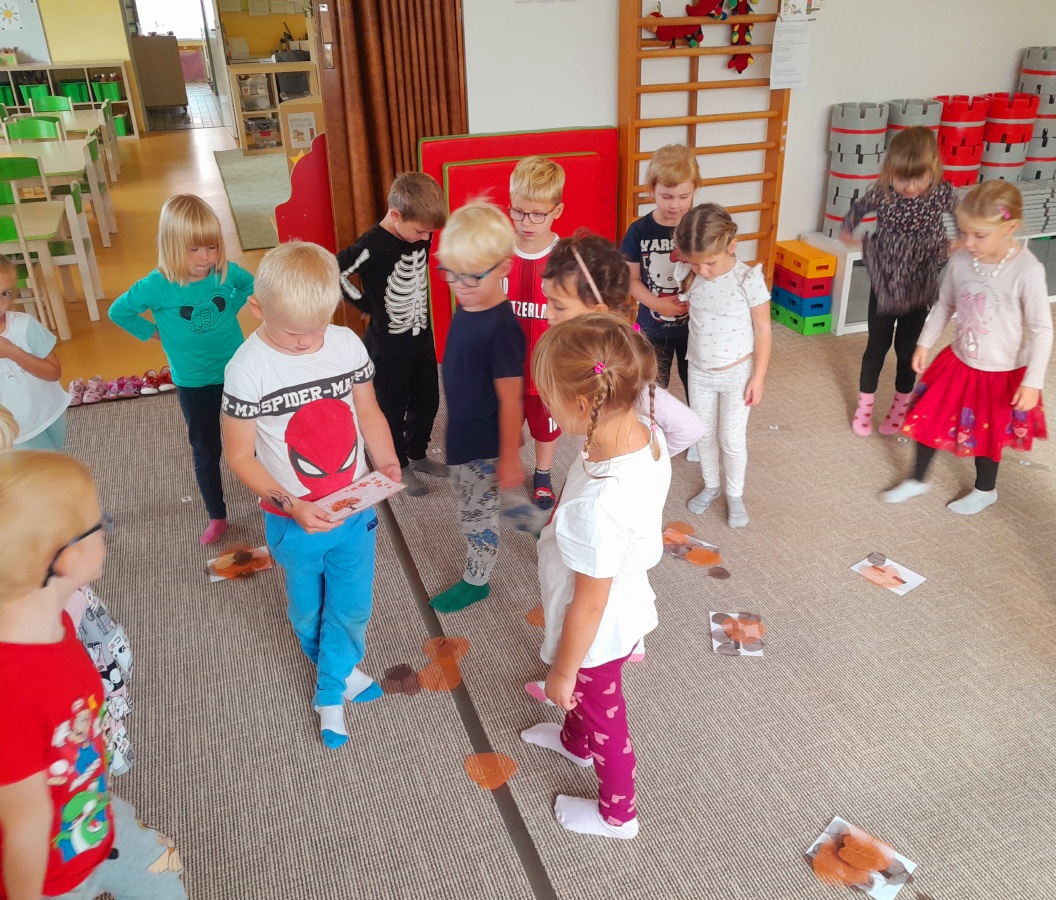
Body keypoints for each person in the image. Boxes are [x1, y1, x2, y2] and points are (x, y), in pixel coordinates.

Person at [221, 242, 401, 748]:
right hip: (292, 521)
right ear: (256, 309)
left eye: (317, 329)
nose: (306, 343)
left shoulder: (345, 345)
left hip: (354, 510)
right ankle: (339, 669)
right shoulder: (247, 369)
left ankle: (328, 693)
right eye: (292, 332)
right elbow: (239, 457)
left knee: (352, 606)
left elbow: (367, 411)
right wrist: (293, 505)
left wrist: (386, 460)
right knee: (306, 612)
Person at [0, 451, 185, 899]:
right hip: (47, 878)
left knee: (166, 880)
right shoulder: (12, 689)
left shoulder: (56, 622)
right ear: (64, 559)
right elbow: (25, 826)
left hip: (92, 810)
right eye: (98, 524)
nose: (105, 531)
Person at [520, 313, 671, 841]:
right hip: (619, 595)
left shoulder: (599, 506)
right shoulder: (642, 431)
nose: (544, 407)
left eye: (548, 398)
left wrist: (562, 672)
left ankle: (618, 814)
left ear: (584, 405)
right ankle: (573, 743)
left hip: (597, 630)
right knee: (586, 704)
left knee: (605, 718)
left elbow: (588, 605)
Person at [882, 180, 1051, 515]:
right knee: (929, 418)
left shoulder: (1028, 270)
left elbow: (1042, 329)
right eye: (963, 232)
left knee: (987, 434)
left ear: (1009, 228)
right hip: (958, 361)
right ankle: (917, 479)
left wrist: (1033, 381)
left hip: (1001, 372)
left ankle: (985, 489)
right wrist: (924, 342)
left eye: (979, 235)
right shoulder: (962, 259)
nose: (968, 242)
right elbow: (945, 305)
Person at [109, 194, 254, 545]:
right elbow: (119, 311)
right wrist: (155, 332)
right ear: (172, 246)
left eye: (212, 247)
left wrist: (229, 309)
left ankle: (268, 494)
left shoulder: (223, 271)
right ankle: (217, 514)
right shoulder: (157, 284)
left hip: (237, 370)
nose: (206, 257)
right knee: (206, 449)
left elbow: (249, 285)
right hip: (194, 381)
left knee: (254, 437)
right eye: (195, 249)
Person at [429, 202, 525, 614]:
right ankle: (543, 527)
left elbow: (510, 398)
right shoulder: (469, 303)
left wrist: (509, 456)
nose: (459, 285)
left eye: (470, 275)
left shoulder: (502, 329)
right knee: (488, 499)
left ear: (503, 267)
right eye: (450, 273)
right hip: (462, 431)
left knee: (475, 514)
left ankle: (477, 580)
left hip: (482, 441)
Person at [541, 229, 704, 456]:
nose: (547, 313)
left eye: (558, 306)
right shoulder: (574, 348)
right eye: (547, 300)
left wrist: (647, 459)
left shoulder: (620, 370)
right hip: (591, 460)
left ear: (598, 311)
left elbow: (690, 428)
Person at [337, 172, 449, 497]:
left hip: (421, 338)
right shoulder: (372, 245)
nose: (426, 238)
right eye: (421, 231)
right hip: (387, 348)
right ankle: (398, 464)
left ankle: (418, 455)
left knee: (428, 402)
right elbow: (337, 270)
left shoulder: (420, 233)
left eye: (430, 232)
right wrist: (366, 304)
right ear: (396, 215)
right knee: (391, 409)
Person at [841, 127, 958, 436]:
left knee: (907, 349)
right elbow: (857, 209)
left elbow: (962, 216)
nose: (909, 187)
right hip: (886, 282)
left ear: (932, 169)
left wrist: (961, 241)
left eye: (918, 179)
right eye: (902, 179)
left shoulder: (942, 193)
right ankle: (865, 406)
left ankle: (900, 407)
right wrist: (848, 230)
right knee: (876, 345)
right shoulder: (883, 192)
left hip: (920, 283)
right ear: (890, 170)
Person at [674, 203, 772, 528]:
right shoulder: (689, 274)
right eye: (695, 263)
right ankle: (711, 484)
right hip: (699, 372)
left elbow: (763, 329)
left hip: (737, 375)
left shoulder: (747, 279)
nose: (703, 270)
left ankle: (734, 493)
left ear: (731, 245)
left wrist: (758, 376)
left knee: (731, 439)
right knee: (703, 434)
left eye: (710, 263)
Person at [506, 156, 565, 509]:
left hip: (547, 371)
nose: (526, 222)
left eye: (537, 214)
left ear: (557, 210)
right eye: (518, 211)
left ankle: (543, 473)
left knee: (546, 428)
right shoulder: (498, 250)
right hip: (505, 367)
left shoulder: (565, 258)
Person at [621, 143, 700, 392]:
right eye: (666, 197)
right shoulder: (639, 231)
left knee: (697, 388)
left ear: (695, 190)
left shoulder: (700, 228)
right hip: (653, 329)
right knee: (653, 390)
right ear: (652, 190)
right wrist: (658, 304)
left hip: (697, 327)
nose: (675, 205)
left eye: (684, 197)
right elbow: (631, 280)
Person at [0, 254, 69, 451]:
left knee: (56, 457)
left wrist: (12, 351)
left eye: (5, 293)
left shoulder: (24, 325)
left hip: (50, 410)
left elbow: (53, 372)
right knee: (45, 467)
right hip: (17, 428)